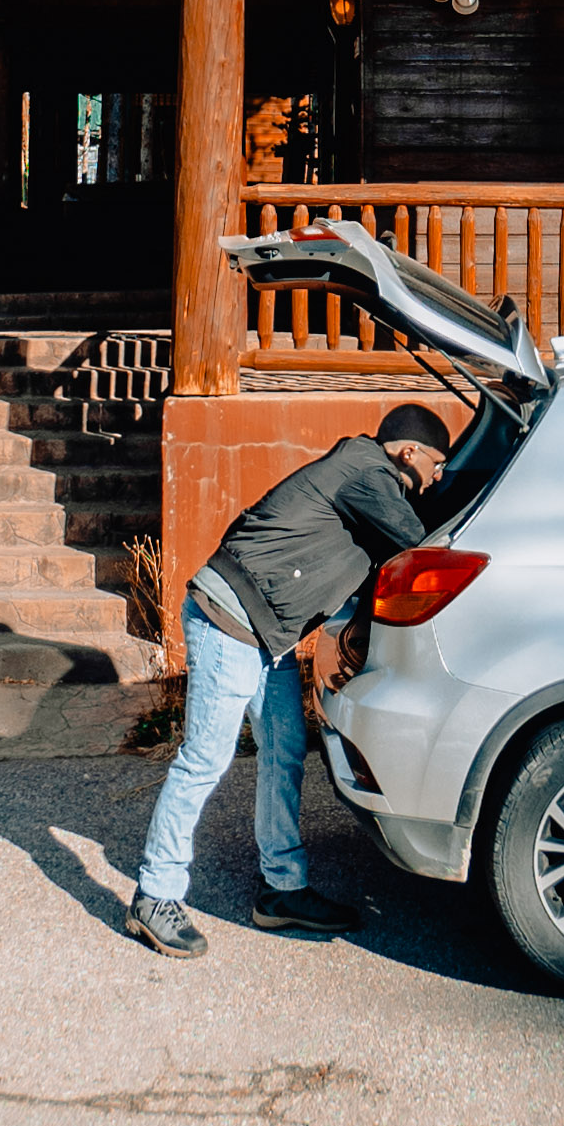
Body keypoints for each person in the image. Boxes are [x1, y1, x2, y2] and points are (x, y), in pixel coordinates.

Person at [126, 403, 451, 958]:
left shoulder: (367, 476)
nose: (438, 475)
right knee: (204, 759)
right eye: (438, 463)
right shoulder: (368, 473)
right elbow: (420, 542)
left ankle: (281, 891)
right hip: (231, 622)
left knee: (284, 749)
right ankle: (154, 895)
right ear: (409, 452)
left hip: (265, 631)